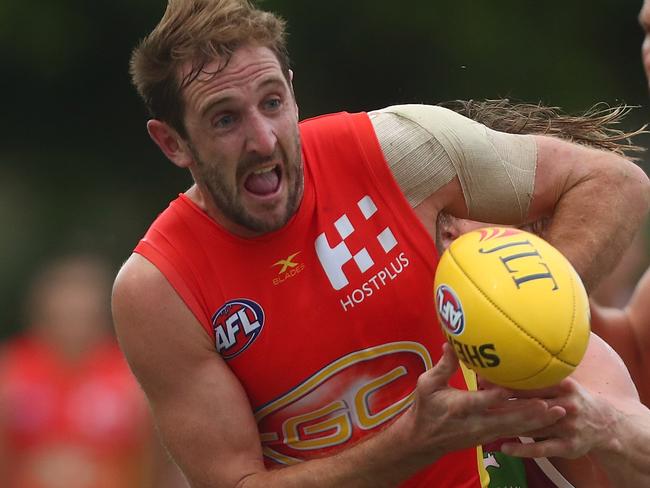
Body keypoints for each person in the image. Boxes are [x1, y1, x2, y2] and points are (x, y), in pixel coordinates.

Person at [112, 1, 650, 487]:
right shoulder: (160, 289)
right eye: (225, 118)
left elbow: (613, 183)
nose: (263, 139)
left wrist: (530, 317)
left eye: (272, 102)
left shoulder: (396, 151)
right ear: (172, 142)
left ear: (293, 92)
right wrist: (413, 443)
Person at [435, 99, 650, 487]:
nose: (446, 224)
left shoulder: (562, 355)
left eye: (473, 204)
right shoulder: (382, 318)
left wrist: (607, 425)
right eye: (442, 205)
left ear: (535, 239)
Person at [0, 254, 189, 488]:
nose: (73, 319)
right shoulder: (12, 369)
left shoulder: (131, 374)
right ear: (42, 311)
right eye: (65, 310)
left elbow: (158, 457)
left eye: (81, 310)